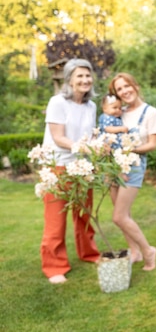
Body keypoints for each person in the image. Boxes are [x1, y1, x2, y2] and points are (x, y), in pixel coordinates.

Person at [40, 58, 101, 284]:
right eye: (80, 76)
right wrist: (82, 147)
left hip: (83, 166)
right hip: (58, 166)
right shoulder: (58, 102)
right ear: (69, 80)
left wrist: (96, 146)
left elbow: (91, 135)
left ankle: (89, 253)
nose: (85, 80)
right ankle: (54, 266)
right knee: (56, 218)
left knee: (84, 215)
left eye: (88, 75)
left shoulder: (91, 105)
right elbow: (58, 137)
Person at [107, 72, 156, 271]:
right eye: (119, 89)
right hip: (113, 167)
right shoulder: (119, 113)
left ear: (135, 86)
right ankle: (134, 251)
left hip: (133, 166)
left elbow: (152, 145)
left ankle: (148, 251)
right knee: (124, 214)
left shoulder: (150, 112)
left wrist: (129, 150)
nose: (124, 91)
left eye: (126, 86)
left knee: (119, 217)